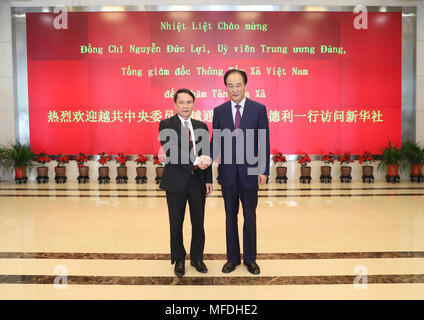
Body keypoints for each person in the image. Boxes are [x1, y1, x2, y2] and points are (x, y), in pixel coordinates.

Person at [211, 69, 270, 275]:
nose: (234, 89)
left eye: (238, 85)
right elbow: (215, 142)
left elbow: (264, 140)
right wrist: (205, 162)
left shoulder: (258, 109)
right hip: (227, 173)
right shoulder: (219, 111)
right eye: (230, 85)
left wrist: (263, 169)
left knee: (250, 216)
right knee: (230, 216)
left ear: (245, 85)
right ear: (225, 87)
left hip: (250, 172)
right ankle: (233, 258)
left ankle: (251, 259)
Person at [159, 88, 213, 277]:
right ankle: (179, 259)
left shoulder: (202, 126)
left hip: (197, 181)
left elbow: (207, 154)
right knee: (176, 223)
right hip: (175, 182)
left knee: (198, 222)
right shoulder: (166, 124)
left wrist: (208, 179)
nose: (185, 105)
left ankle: (197, 258)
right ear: (175, 104)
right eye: (181, 102)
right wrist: (196, 161)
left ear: (193, 104)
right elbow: (171, 152)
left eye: (188, 102)